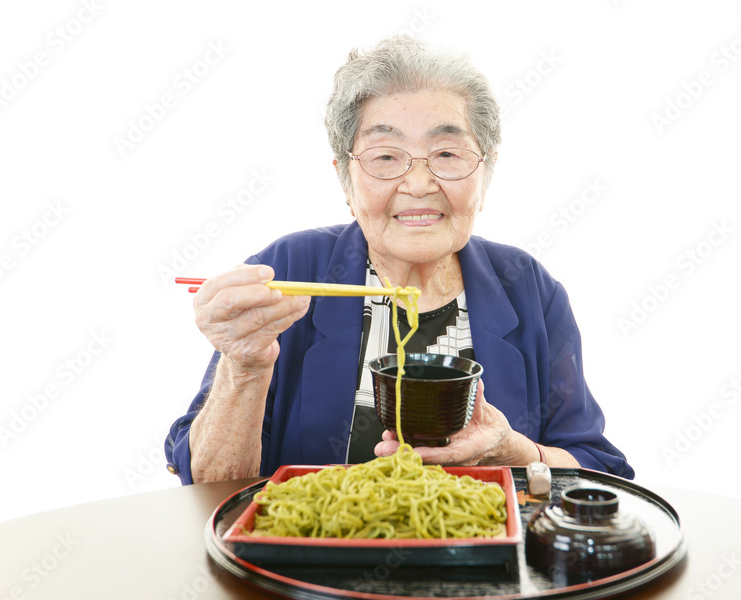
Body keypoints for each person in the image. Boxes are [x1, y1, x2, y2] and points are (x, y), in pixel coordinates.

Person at [165, 36, 633, 484]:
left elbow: (598, 472)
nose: (418, 184)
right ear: (346, 181)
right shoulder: (288, 270)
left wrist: (513, 451)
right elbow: (208, 483)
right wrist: (244, 367)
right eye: (386, 156)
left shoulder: (528, 288)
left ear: (486, 174)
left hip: (486, 544)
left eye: (446, 153)